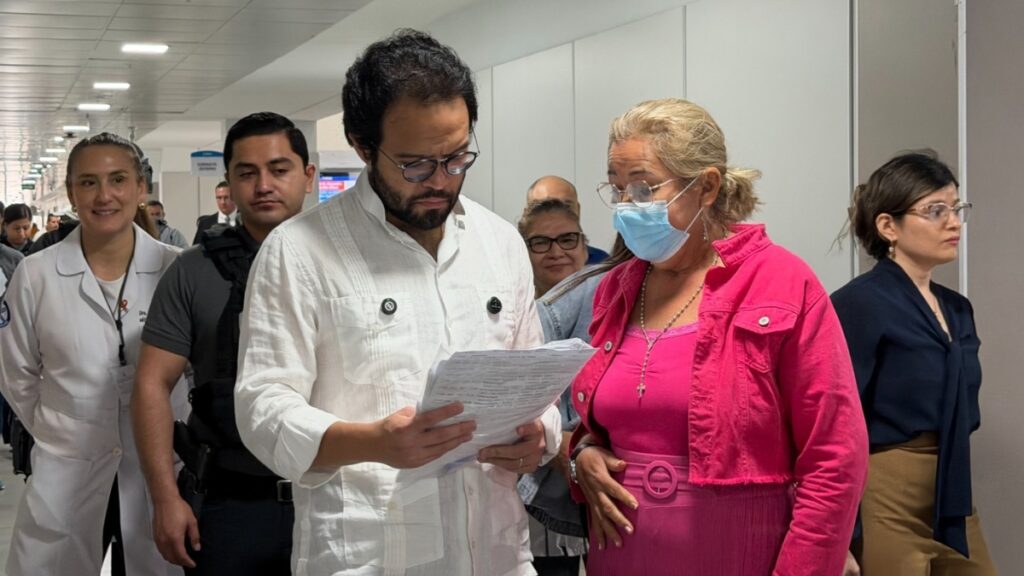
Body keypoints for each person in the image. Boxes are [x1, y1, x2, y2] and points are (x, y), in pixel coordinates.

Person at [233, 29, 561, 575]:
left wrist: (540, 435)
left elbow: (535, 381)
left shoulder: (499, 241)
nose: (439, 181)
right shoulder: (299, 251)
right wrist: (372, 443)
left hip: (495, 550)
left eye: (456, 158)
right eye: (415, 164)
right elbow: (263, 409)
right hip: (368, 553)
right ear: (364, 147)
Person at [566, 98, 868, 576]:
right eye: (617, 189)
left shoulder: (784, 284)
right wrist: (581, 454)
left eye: (644, 189)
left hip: (740, 553)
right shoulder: (615, 290)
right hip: (621, 555)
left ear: (705, 186)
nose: (625, 207)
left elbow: (834, 457)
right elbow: (602, 422)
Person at [132, 112, 315, 575]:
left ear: (307, 176)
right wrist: (165, 497)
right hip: (231, 503)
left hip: (331, 497)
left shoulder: (350, 263)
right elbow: (153, 383)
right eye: (246, 173)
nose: (263, 185)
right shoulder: (194, 271)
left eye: (279, 169)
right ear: (229, 183)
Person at [0, 132, 186, 576]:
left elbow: (192, 374)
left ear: (141, 188)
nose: (104, 195)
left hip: (158, 469)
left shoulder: (177, 269)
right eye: (88, 183)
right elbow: (16, 373)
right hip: (67, 465)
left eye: (118, 179)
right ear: (70, 193)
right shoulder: (37, 274)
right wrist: (64, 427)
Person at [832, 152, 997, 575]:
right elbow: (834, 419)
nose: (954, 223)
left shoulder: (957, 309)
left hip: (951, 488)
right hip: (885, 487)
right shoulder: (859, 303)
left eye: (957, 209)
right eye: (935, 211)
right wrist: (842, 534)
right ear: (888, 226)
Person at [527, 175, 609, 264]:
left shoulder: (603, 263)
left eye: (567, 206)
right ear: (526, 214)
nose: (557, 214)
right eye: (545, 206)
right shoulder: (513, 264)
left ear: (578, 210)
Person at [519, 199, 590, 298]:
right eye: (541, 242)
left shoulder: (611, 305)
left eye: (567, 240)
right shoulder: (515, 309)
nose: (556, 253)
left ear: (585, 248)